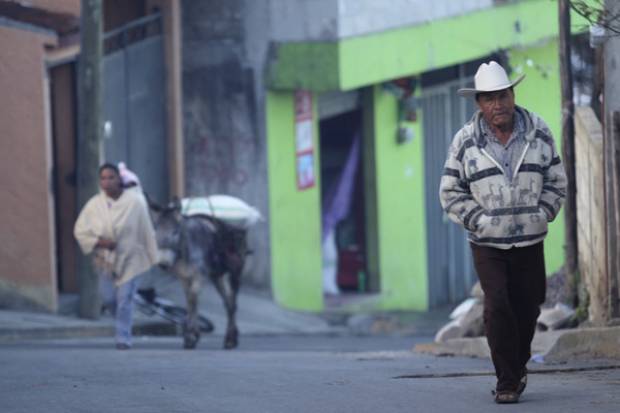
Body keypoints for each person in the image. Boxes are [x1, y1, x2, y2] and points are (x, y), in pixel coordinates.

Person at [439, 61, 567, 404]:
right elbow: (450, 191)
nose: (498, 104)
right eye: (489, 98)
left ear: (513, 95)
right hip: (487, 242)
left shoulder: (538, 130)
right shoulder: (465, 141)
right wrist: (478, 219)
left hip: (530, 238)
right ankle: (506, 381)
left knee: (528, 306)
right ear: (479, 103)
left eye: (503, 95)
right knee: (496, 305)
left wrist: (543, 213)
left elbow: (557, 180)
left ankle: (518, 365)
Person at [74, 163, 159, 350]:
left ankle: (123, 337)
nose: (107, 182)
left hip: (131, 258)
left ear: (119, 179)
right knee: (109, 299)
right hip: (105, 261)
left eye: (111, 177)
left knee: (124, 299)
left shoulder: (135, 202)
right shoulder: (95, 204)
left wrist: (151, 253)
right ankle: (124, 319)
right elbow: (80, 230)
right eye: (103, 178)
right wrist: (99, 242)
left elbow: (146, 230)